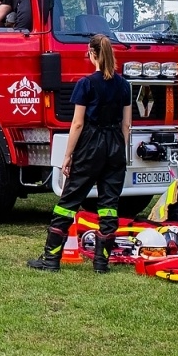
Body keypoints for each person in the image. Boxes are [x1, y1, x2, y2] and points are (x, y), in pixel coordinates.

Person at [29, 33, 132, 273]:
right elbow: (126, 124)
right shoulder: (124, 85)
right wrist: (119, 149)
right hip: (115, 144)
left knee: (69, 201)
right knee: (109, 204)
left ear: (92, 54)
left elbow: (77, 124)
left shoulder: (85, 84)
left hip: (90, 144)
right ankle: (101, 263)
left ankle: (51, 259)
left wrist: (67, 155)